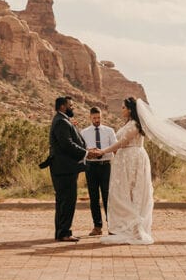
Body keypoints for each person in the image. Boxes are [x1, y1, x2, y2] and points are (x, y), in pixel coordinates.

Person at [97, 97, 154, 245]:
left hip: (133, 160)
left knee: (133, 192)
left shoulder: (135, 124)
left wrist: (104, 151)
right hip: (124, 160)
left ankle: (135, 229)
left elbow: (123, 143)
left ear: (130, 109)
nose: (121, 110)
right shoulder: (128, 123)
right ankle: (126, 227)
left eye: (123, 107)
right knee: (124, 193)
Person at [44, 96, 90, 242]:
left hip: (63, 168)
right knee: (67, 201)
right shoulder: (61, 122)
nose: (73, 108)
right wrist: (87, 153)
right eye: (71, 105)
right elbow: (67, 144)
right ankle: (64, 233)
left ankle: (61, 232)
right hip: (65, 169)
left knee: (63, 201)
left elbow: (73, 141)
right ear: (63, 107)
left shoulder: (62, 120)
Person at [80, 106, 117, 236]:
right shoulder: (84, 132)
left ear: (102, 117)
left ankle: (112, 227)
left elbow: (115, 148)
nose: (97, 120)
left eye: (99, 118)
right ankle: (97, 226)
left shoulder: (109, 131)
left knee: (108, 197)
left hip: (106, 166)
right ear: (90, 117)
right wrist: (89, 154)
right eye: (94, 118)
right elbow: (81, 149)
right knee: (94, 198)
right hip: (91, 167)